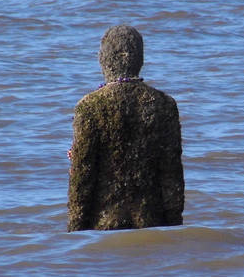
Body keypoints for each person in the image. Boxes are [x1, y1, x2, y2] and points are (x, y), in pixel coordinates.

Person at [67, 25, 184, 232]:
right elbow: (172, 176)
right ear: (140, 60)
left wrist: (74, 231)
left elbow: (82, 178)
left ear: (103, 59)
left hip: (103, 228)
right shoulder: (164, 104)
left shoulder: (89, 107)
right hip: (152, 225)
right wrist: (175, 231)